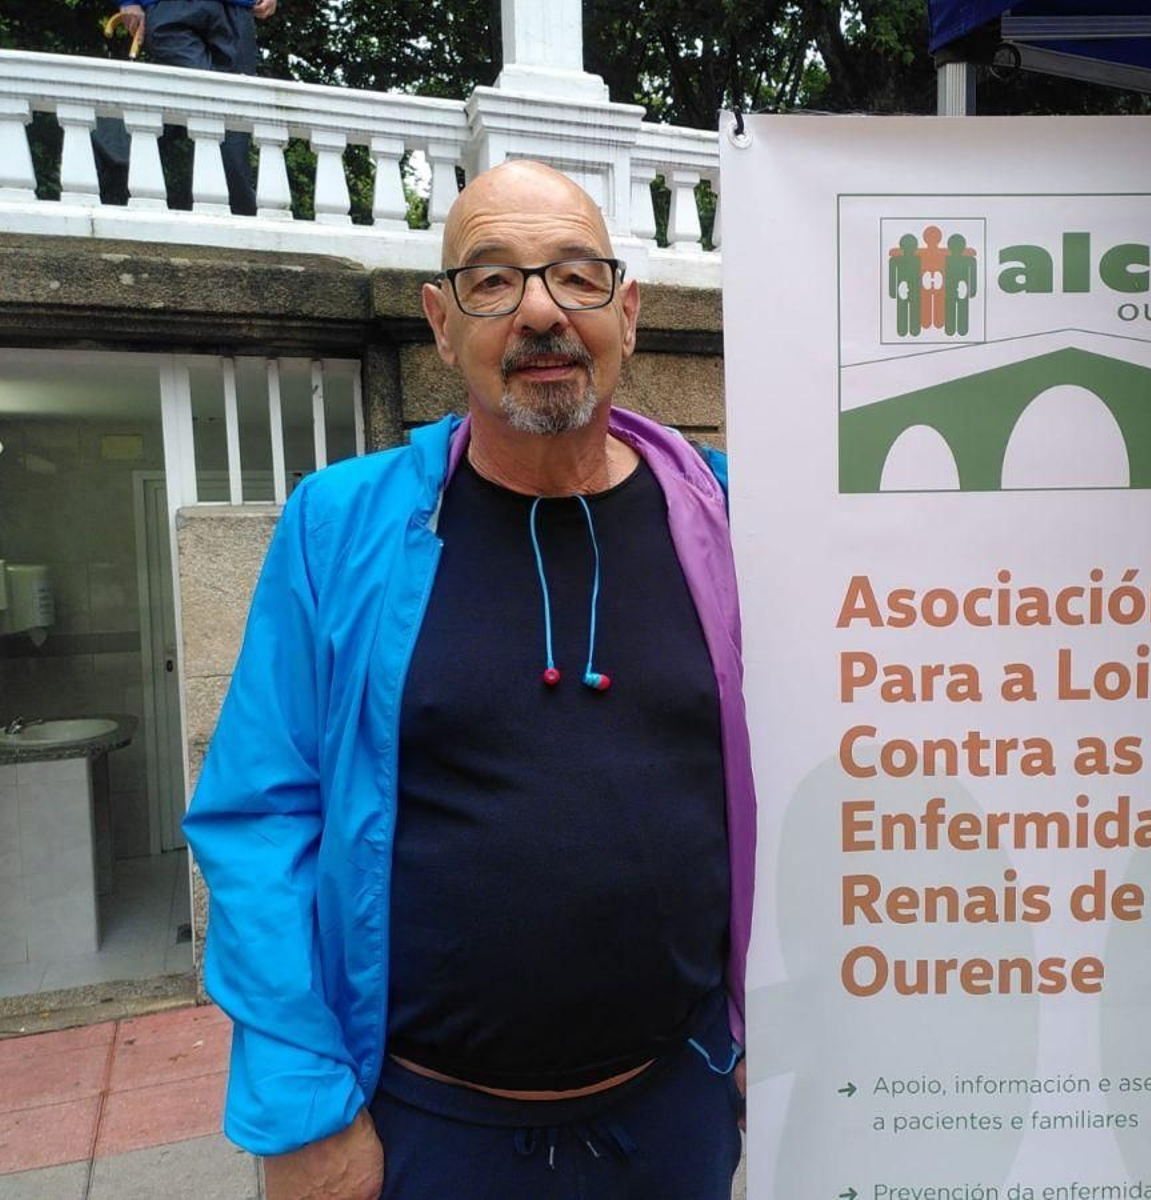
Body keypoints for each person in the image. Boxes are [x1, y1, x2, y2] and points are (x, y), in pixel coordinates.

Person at [183, 159, 755, 1198]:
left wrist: (781, 1024)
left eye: (577, 278)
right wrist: (304, 1111)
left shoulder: (728, 523)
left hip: (677, 1111)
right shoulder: (338, 525)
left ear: (627, 313)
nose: (541, 311)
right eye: (493, 281)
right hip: (423, 1131)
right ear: (441, 325)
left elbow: (819, 779)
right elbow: (261, 821)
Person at [93, 0, 276, 214]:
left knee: (232, 120)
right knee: (215, 108)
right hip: (173, 10)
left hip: (237, 12)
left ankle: (240, 222)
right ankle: (241, 217)